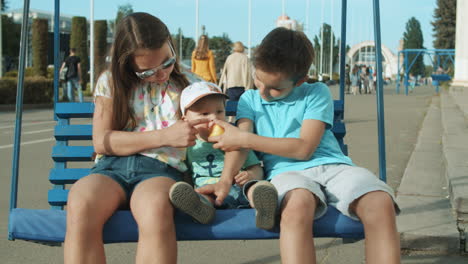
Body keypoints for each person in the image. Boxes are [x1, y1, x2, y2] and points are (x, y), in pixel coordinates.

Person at [198, 27, 400, 264]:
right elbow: (238, 146)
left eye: (275, 88)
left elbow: (304, 148)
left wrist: (244, 139)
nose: (263, 91)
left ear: (300, 80)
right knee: (297, 205)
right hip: (286, 172)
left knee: (379, 202)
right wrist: (224, 180)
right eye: (258, 80)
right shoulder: (249, 100)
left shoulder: (315, 92)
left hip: (334, 167)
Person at [64, 13, 207, 264]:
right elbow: (102, 141)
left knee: (155, 207)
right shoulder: (111, 82)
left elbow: (213, 129)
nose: (161, 74)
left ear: (171, 45)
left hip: (160, 170)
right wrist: (164, 136)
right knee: (81, 200)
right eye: (147, 72)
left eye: (167, 62)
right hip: (110, 169)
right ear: (127, 64)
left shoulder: (191, 85)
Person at [168, 81, 277, 228]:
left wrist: (251, 175)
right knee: (202, 196)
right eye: (204, 113)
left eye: (219, 111)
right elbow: (186, 175)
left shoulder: (234, 139)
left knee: (254, 188)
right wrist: (189, 189)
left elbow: (256, 167)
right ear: (185, 120)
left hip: (240, 188)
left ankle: (264, 208)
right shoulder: (188, 146)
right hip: (209, 191)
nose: (214, 118)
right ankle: (201, 209)